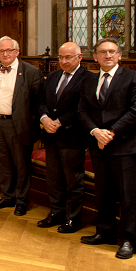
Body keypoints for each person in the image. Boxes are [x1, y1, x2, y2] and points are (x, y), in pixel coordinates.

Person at [78, 38, 136, 259]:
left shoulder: (133, 77)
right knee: (103, 193)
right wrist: (96, 132)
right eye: (102, 52)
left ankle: (128, 239)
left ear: (119, 55)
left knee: (127, 195)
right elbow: (82, 112)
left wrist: (111, 132)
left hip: (125, 146)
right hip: (98, 145)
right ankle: (105, 232)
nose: (107, 55)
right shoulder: (89, 80)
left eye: (112, 51)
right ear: (95, 56)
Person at [0, 36, 43, 216]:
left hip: (18, 125)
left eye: (9, 50)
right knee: (3, 163)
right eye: (1, 51)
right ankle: (8, 195)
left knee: (21, 164)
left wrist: (30, 124)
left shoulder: (31, 72)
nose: (5, 54)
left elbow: (39, 102)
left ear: (17, 52)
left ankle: (21, 200)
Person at [37, 42, 90, 233]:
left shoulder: (87, 78)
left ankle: (73, 219)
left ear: (79, 57)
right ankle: (56, 212)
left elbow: (83, 108)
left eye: (68, 57)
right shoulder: (52, 76)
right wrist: (44, 118)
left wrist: (59, 122)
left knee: (73, 180)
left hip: (72, 137)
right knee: (54, 179)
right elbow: (41, 101)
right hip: (51, 136)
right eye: (61, 57)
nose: (64, 61)